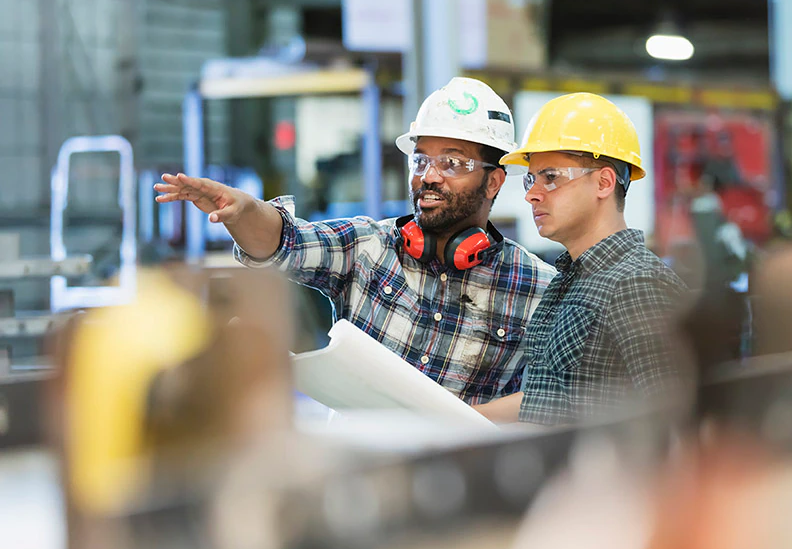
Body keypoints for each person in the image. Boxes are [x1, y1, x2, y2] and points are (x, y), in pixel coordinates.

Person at [155, 77, 556, 404]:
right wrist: (243, 211)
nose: (429, 176)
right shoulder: (367, 247)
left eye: (452, 162)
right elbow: (284, 241)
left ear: (495, 180)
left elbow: (546, 404)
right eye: (421, 160)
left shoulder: (537, 288)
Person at [474, 93, 692, 425]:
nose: (532, 193)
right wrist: (451, 417)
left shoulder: (637, 284)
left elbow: (679, 417)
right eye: (532, 179)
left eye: (551, 177)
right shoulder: (567, 282)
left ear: (604, 182)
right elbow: (546, 399)